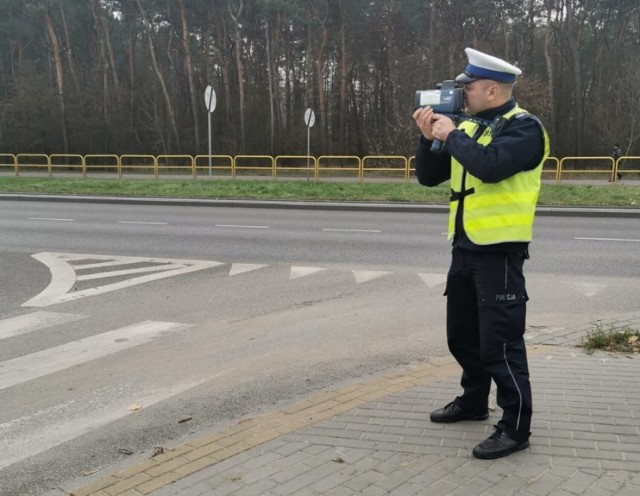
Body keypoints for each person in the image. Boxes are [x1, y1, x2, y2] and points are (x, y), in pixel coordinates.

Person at [412, 47, 550, 459]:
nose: (461, 92)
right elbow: (429, 177)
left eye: (467, 86)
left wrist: (450, 134)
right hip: (464, 248)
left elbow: (491, 168)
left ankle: (515, 427)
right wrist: (428, 139)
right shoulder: (469, 127)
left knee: (501, 345)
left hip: (500, 254)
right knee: (463, 337)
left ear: (492, 90)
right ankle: (473, 401)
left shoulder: (524, 129)